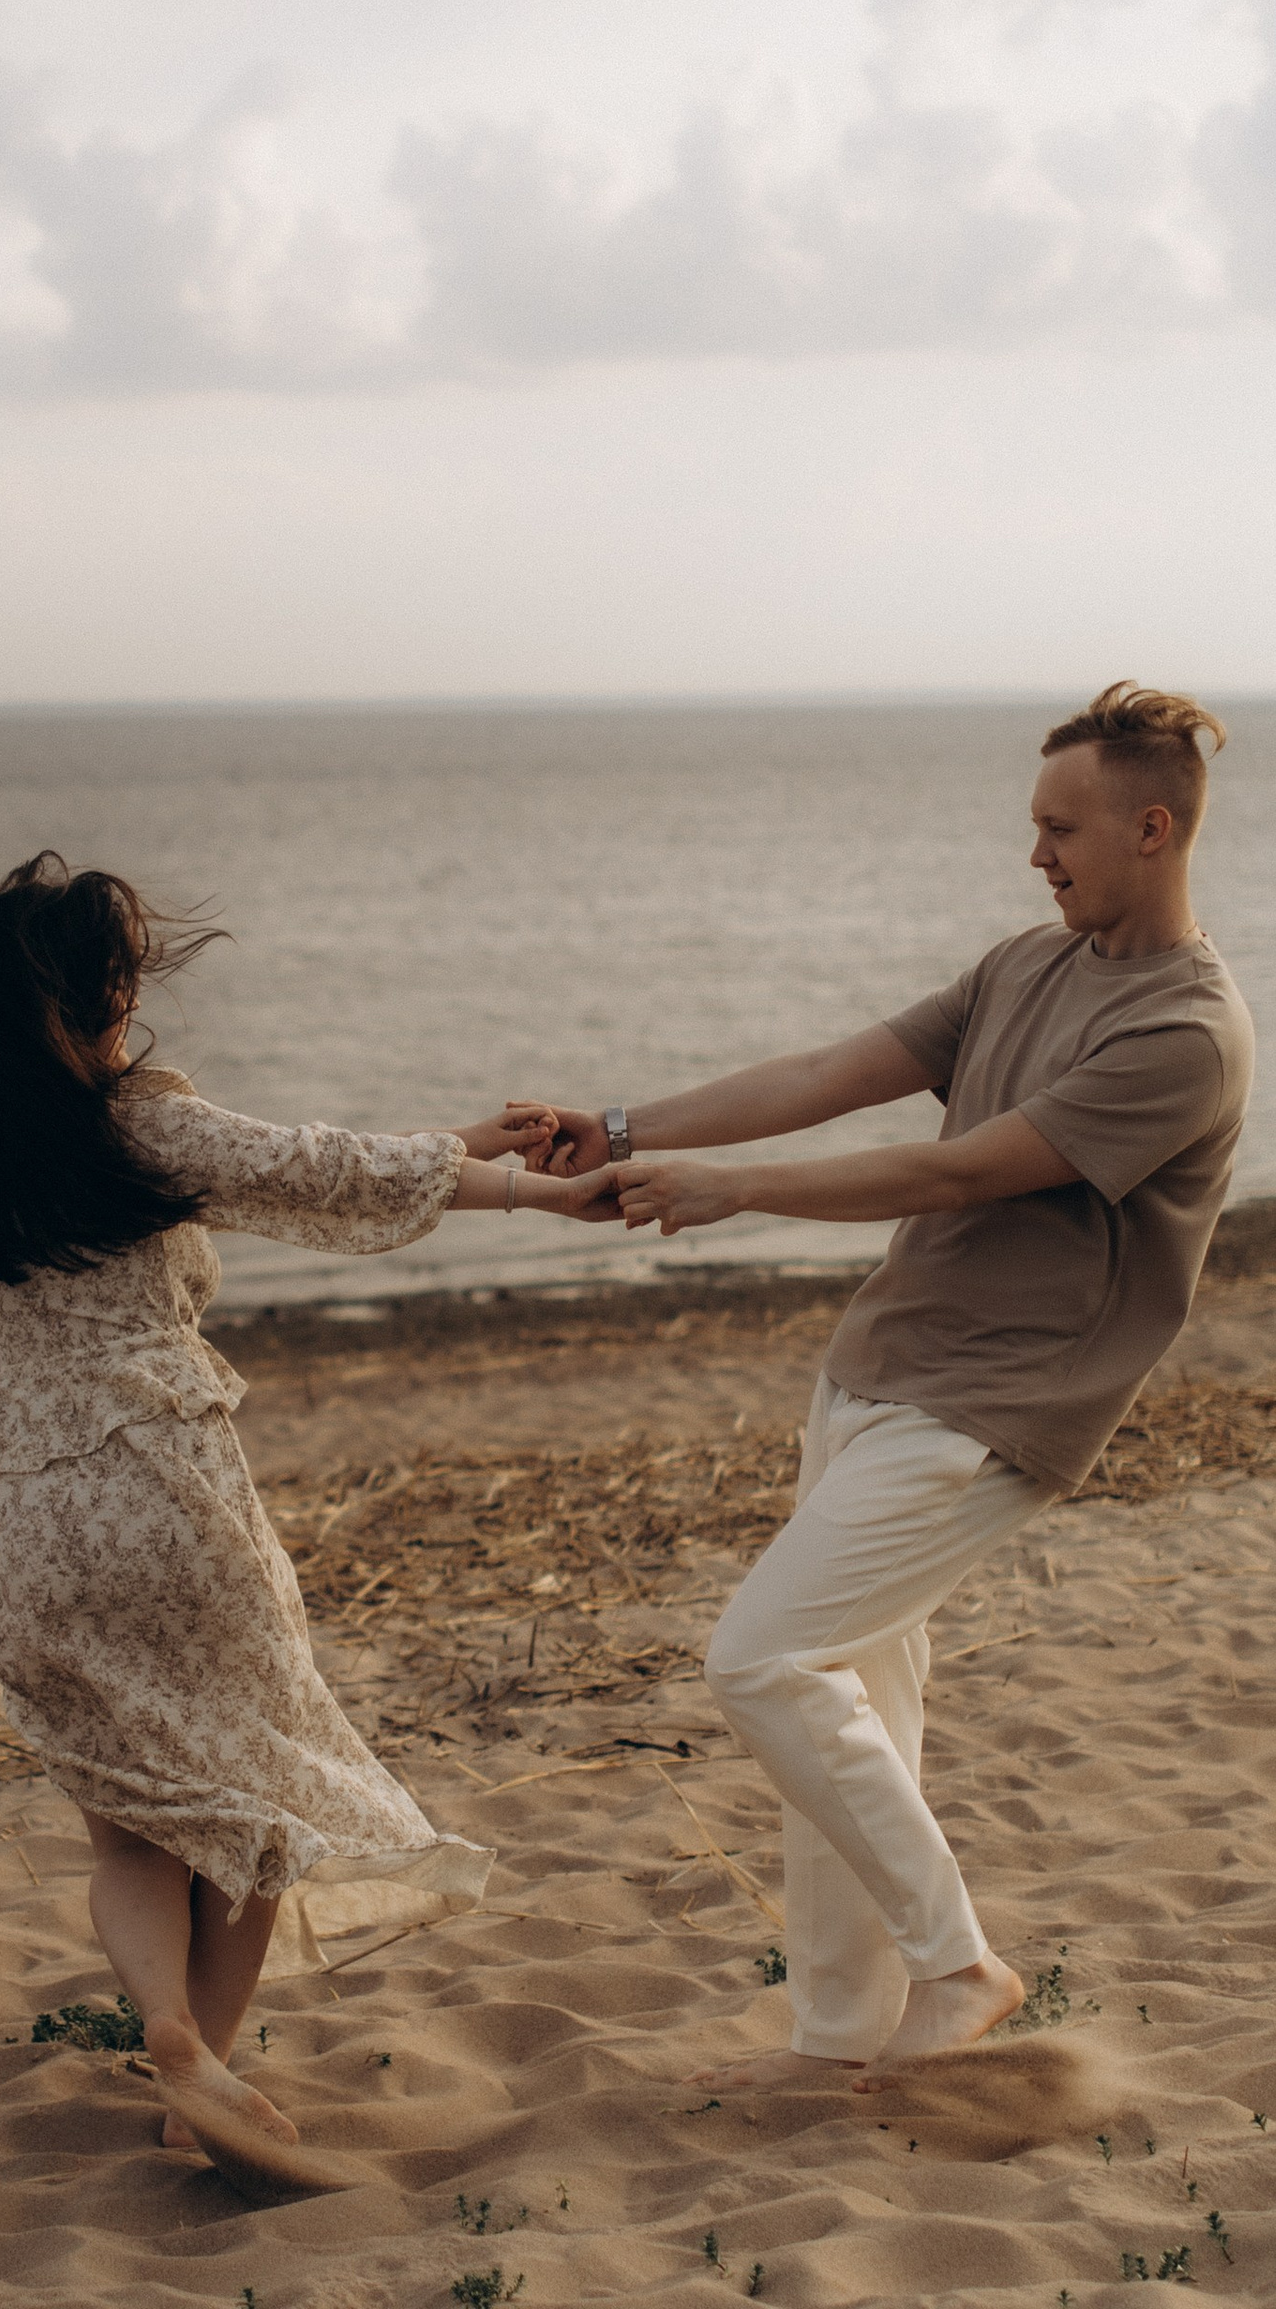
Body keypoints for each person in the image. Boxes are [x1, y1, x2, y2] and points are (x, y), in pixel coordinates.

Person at [524, 684, 1253, 2088]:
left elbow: (960, 1170)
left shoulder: (1187, 1034)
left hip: (991, 1409)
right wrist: (615, 1127)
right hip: (874, 1371)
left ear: (1152, 829)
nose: (1037, 855)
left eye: (1062, 830)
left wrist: (738, 1191)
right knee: (849, 1705)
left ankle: (959, 1961)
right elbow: (828, 1072)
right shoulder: (1023, 966)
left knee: (760, 1660)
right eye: (1036, 826)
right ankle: (838, 2038)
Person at [0, 850, 591, 2200]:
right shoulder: (140, 1128)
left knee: (131, 1828)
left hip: (30, 1514)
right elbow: (319, 1169)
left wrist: (464, 1146)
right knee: (256, 1811)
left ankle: (169, 2036)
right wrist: (514, 1171)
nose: (134, 1000)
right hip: (162, 1491)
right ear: (87, 1002)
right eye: (118, 981)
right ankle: (198, 2087)